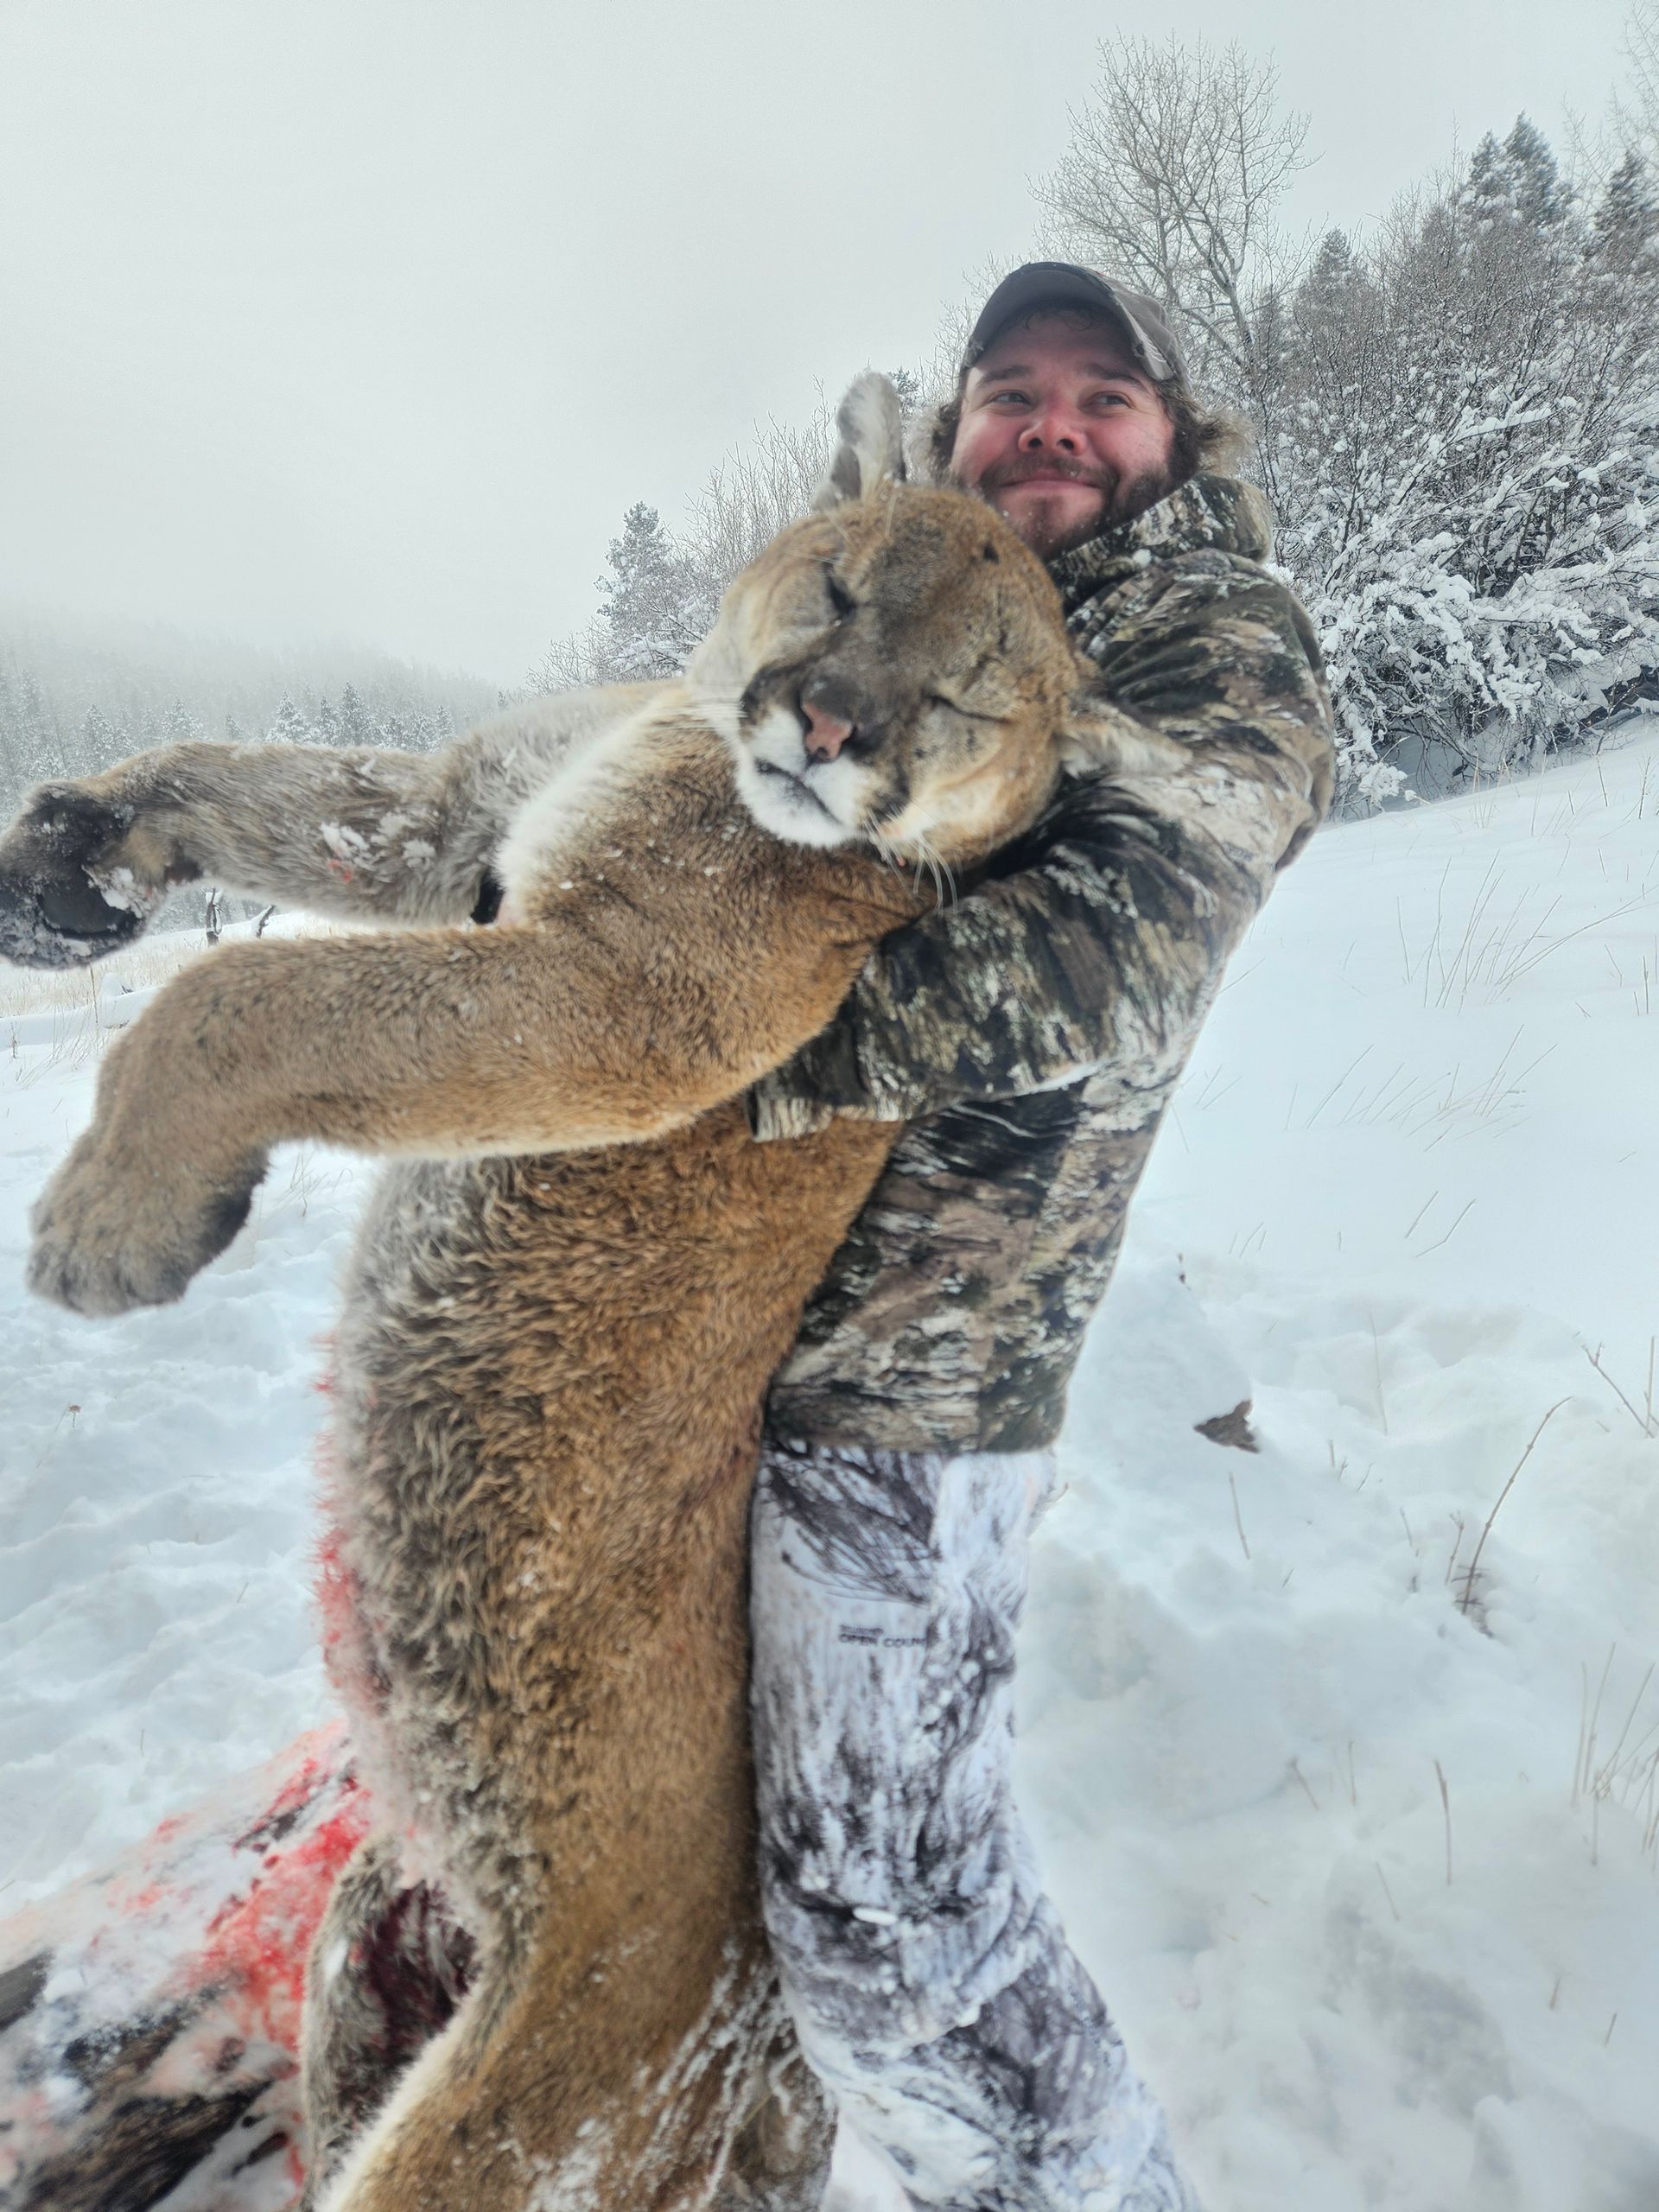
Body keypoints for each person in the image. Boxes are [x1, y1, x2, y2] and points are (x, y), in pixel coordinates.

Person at [741, 263, 1334, 2210]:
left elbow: (1126, 953)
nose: (1055, 428)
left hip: (921, 1393)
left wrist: (705, 1049)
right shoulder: (889, 607)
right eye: (1012, 392)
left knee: (897, 1927)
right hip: (742, 1352)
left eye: (1107, 398)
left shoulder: (1212, 633)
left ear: (1175, 443)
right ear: (952, 429)